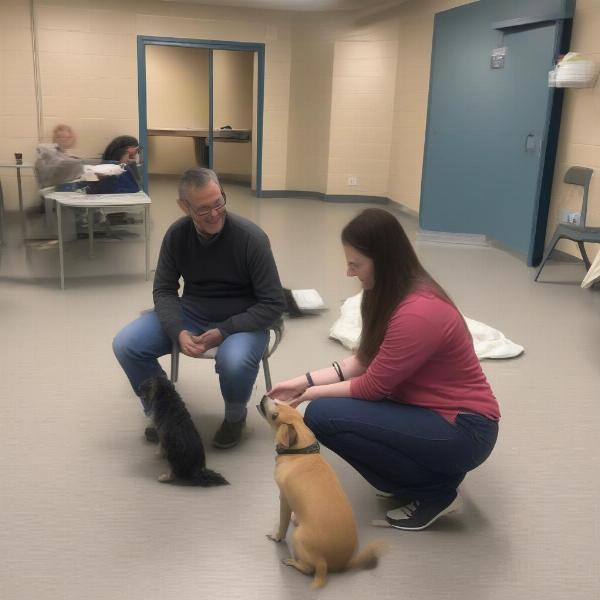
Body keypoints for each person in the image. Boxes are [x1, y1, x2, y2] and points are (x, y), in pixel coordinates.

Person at [268, 208, 500, 531]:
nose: (349, 272)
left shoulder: (418, 312)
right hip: (433, 414)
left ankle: (435, 491)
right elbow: (362, 361)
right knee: (327, 410)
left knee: (322, 414)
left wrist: (307, 393)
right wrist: (301, 381)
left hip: (465, 429)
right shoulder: (386, 294)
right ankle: (430, 476)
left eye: (356, 264)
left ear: (383, 260)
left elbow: (370, 387)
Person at [113, 167, 285, 448]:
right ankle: (165, 413)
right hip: (192, 311)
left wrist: (224, 331)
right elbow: (165, 290)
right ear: (184, 206)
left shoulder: (251, 238)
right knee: (126, 344)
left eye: (219, 202)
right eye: (204, 209)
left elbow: (273, 304)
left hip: (244, 317)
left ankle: (234, 419)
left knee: (233, 361)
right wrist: (177, 330)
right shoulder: (177, 235)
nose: (215, 213)